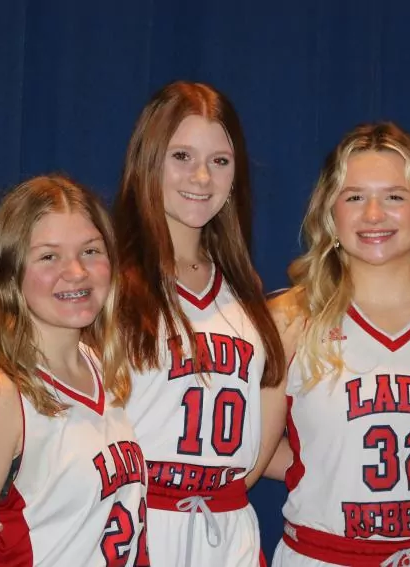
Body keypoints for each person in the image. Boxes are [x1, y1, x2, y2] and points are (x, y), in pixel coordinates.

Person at [267, 122, 410, 566]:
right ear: (330, 213)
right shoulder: (289, 321)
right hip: (323, 556)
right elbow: (249, 453)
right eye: (354, 197)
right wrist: (325, 462)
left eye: (395, 196)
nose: (373, 215)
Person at [0, 175, 148, 566]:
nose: (76, 271)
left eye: (90, 251)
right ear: (10, 272)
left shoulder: (100, 368)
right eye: (49, 257)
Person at [113, 81, 287, 567]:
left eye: (220, 161)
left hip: (226, 529)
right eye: (182, 156)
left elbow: (259, 426)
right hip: (134, 522)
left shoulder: (244, 287)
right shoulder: (105, 280)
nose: (202, 176)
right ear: (148, 160)